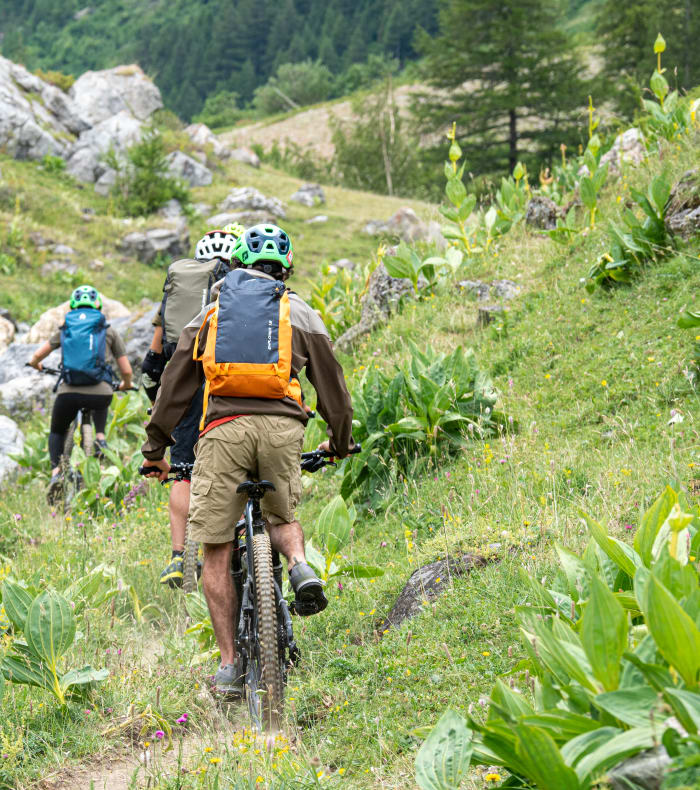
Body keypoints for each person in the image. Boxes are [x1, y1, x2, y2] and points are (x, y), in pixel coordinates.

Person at [140, 223, 354, 694]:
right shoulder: (299, 311)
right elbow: (333, 388)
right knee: (282, 516)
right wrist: (339, 441)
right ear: (286, 269)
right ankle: (298, 565)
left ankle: (230, 666)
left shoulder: (212, 312)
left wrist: (156, 449)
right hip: (282, 431)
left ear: (235, 265)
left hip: (223, 432)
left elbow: (174, 387)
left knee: (216, 550)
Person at [141, 227, 242, 588]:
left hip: (183, 384)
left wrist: (158, 405)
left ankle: (177, 556)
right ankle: (234, 542)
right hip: (222, 383)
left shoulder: (174, 290)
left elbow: (152, 361)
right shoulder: (237, 284)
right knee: (235, 465)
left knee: (183, 469)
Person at [28, 285, 133, 501]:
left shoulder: (66, 328)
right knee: (103, 395)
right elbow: (126, 370)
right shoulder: (108, 330)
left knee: (57, 431)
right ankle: (100, 438)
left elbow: (37, 356)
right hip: (100, 392)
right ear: (98, 306)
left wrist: (36, 365)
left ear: (73, 306)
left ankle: (56, 472)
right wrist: (125, 384)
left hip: (69, 393)